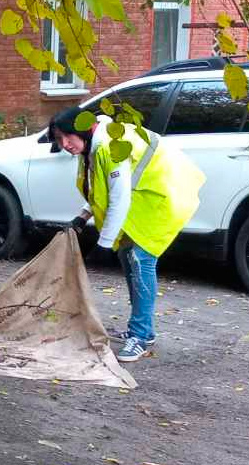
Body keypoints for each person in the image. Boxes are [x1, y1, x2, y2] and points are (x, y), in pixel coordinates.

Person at [48, 107, 205, 362]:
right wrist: (83, 216)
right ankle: (142, 330)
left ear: (84, 131)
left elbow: (119, 198)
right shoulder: (93, 145)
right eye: (59, 139)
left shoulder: (110, 147)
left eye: (68, 137)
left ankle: (140, 336)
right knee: (129, 258)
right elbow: (103, 189)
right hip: (143, 201)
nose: (65, 144)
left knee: (140, 262)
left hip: (160, 200)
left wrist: (104, 244)